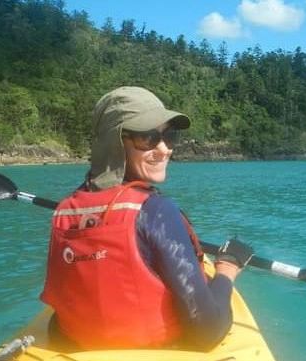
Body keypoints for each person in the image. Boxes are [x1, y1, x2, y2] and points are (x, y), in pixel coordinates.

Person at [40, 86, 254, 351]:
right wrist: (227, 269)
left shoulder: (66, 210)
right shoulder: (156, 211)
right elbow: (208, 331)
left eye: (169, 136)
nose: (164, 149)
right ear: (114, 142)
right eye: (147, 138)